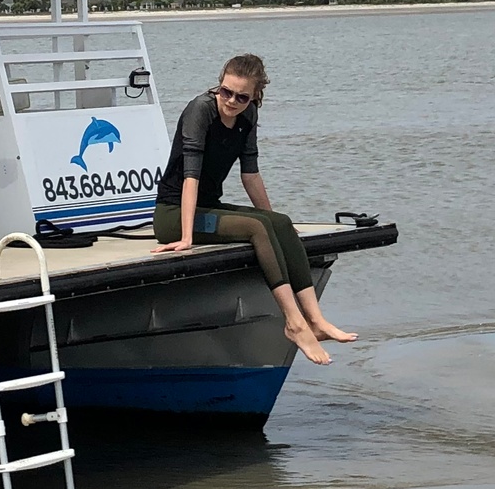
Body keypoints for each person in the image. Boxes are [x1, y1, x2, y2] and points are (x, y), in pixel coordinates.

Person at [152, 52, 356, 363]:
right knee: (256, 228)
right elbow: (190, 177)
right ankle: (294, 323)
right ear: (219, 86)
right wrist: (186, 237)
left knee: (280, 222)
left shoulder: (248, 117)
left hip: (208, 208)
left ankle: (316, 321)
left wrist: (273, 219)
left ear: (255, 97)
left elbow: (251, 174)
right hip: (173, 215)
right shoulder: (200, 111)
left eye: (242, 97)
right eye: (226, 92)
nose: (231, 101)